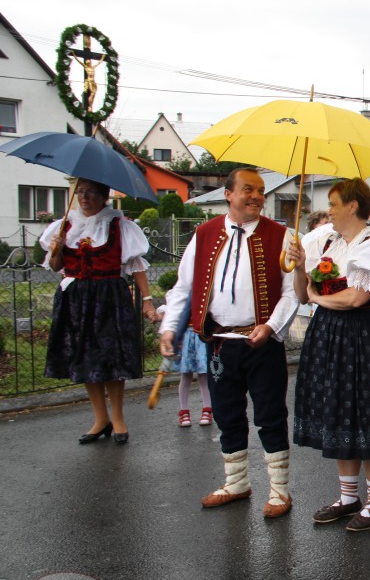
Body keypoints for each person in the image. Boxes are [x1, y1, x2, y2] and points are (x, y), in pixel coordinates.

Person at [160, 168, 299, 518]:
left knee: (270, 414)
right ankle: (237, 483)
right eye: (248, 189)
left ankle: (280, 491)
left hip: (262, 341)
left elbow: (291, 293)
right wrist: (169, 328)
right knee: (226, 414)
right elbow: (183, 287)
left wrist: (270, 326)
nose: (256, 196)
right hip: (220, 342)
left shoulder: (283, 235)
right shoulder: (204, 234)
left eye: (261, 190)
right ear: (229, 194)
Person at [287, 179, 370, 531]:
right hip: (333, 336)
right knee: (342, 414)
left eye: (334, 203)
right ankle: (349, 497)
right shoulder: (328, 243)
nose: (328, 210)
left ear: (352, 206)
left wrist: (318, 298)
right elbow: (303, 296)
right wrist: (301, 266)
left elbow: (355, 299)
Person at [41, 178, 154, 445]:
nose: (84, 197)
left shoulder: (119, 225)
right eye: (80, 192)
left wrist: (147, 300)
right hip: (76, 300)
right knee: (85, 360)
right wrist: (56, 248)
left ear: (104, 196)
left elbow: (136, 266)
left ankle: (118, 418)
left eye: (90, 192)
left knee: (111, 359)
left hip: (109, 297)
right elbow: (56, 265)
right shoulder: (63, 226)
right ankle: (100, 418)